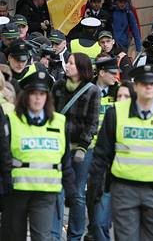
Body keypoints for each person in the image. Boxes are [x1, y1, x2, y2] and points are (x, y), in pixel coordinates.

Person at [89, 64, 153, 240]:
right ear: (135, 86)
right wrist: (95, 188)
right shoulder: (116, 113)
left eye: (152, 83)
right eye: (143, 83)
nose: (148, 87)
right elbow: (101, 155)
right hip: (124, 190)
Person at [0, 71, 77, 240]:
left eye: (42, 94)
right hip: (17, 191)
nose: (37, 98)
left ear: (47, 97)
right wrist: (5, 187)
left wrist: (71, 191)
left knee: (42, 237)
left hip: (46, 192)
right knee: (13, 236)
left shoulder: (58, 122)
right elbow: (4, 158)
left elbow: (65, 161)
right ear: (25, 96)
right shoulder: (11, 120)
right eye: (33, 93)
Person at [51, 53, 100, 241]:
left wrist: (83, 146)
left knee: (78, 194)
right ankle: (54, 235)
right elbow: (51, 113)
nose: (68, 66)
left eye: (71, 63)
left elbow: (92, 122)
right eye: (68, 62)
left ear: (81, 67)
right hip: (59, 148)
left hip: (81, 150)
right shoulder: (58, 86)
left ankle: (74, 236)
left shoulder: (91, 90)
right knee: (57, 192)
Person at [85, 56, 119, 241]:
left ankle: (100, 225)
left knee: (106, 193)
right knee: (92, 191)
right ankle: (93, 227)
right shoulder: (87, 90)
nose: (116, 76)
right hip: (89, 148)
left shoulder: (119, 92)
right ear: (102, 73)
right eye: (113, 73)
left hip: (110, 152)